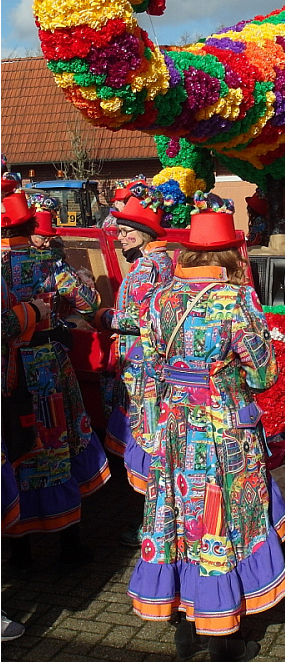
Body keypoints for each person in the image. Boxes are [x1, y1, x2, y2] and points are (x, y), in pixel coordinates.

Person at [125, 210, 285, 662]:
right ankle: (222, 635)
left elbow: (145, 373)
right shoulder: (236, 300)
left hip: (173, 425)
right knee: (222, 517)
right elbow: (263, 373)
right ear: (230, 253)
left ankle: (184, 626)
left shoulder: (158, 299)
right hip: (221, 427)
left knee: (178, 516)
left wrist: (152, 428)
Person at [1, 189, 106, 567]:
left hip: (9, 371)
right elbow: (88, 303)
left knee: (18, 447)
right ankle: (68, 544)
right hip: (46, 366)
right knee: (54, 447)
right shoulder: (47, 262)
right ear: (31, 226)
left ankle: (20, 550)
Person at [99, 191, 176, 549]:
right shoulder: (165, 261)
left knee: (147, 440)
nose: (121, 234)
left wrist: (103, 317)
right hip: (152, 364)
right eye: (121, 228)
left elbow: (142, 317)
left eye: (128, 229)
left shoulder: (147, 267)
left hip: (142, 367)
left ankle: (152, 525)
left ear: (145, 233)